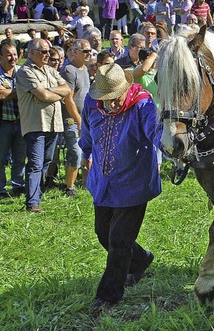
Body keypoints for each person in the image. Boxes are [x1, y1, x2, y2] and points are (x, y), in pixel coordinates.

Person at [80, 63, 160, 309]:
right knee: (103, 233)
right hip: (103, 182)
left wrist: (171, 146)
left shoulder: (142, 104)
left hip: (133, 182)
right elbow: (86, 131)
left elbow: (156, 131)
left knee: (119, 240)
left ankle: (108, 295)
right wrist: (85, 153)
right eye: (107, 99)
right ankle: (140, 260)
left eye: (116, 98)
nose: (112, 103)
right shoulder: (91, 103)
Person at [15, 38, 71, 212]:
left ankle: (36, 195)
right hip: (36, 124)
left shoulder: (49, 70)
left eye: (48, 51)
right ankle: (32, 203)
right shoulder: (25, 72)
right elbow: (44, 96)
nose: (48, 54)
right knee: (35, 164)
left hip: (53, 123)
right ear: (32, 53)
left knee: (46, 162)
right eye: (44, 51)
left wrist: (48, 90)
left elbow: (67, 88)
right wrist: (54, 92)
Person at [59, 39, 92, 197]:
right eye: (85, 51)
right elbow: (68, 98)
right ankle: (69, 187)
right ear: (75, 51)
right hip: (71, 119)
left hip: (85, 118)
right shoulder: (69, 70)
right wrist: (78, 120)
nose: (88, 54)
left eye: (89, 51)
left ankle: (86, 183)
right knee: (75, 151)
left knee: (86, 151)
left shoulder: (84, 69)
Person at [0, 40, 26, 198]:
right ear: (0, 57)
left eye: (15, 54)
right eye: (8, 55)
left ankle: (17, 185)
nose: (13, 58)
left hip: (21, 121)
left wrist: (7, 92)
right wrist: (21, 91)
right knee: (0, 157)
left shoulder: (22, 72)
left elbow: (5, 93)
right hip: (2, 122)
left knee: (20, 156)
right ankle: (1, 189)